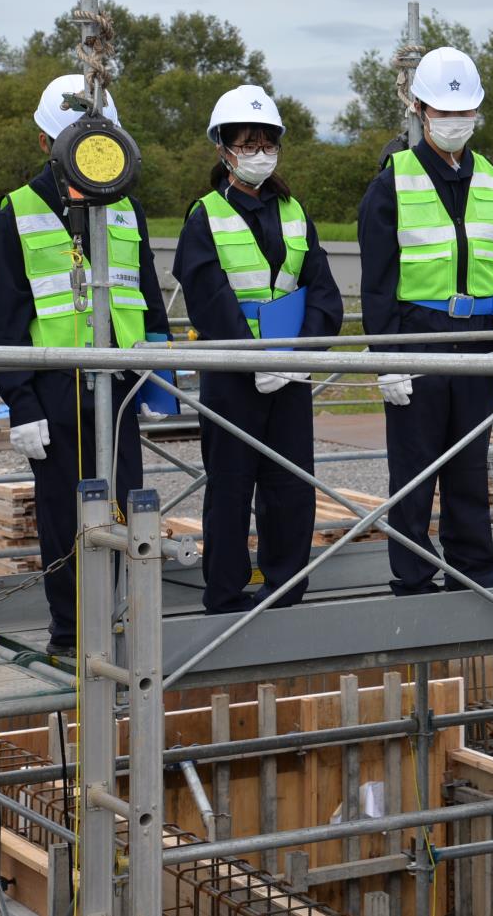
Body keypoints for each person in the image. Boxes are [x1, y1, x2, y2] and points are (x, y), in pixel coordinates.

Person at [0, 75, 171, 658]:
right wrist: (20, 400)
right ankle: (72, 634)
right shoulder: (20, 210)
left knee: (128, 506)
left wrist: (158, 378)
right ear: (48, 143)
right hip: (53, 388)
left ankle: (121, 622)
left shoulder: (126, 209)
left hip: (115, 389)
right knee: (66, 516)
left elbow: (144, 289)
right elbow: (6, 313)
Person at [358, 47, 493, 596]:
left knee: (467, 469)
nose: (456, 122)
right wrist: (387, 360)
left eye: (465, 113)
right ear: (419, 109)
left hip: (479, 342)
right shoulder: (392, 183)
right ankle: (412, 576)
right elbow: (378, 281)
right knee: (414, 470)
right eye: (444, 111)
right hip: (419, 337)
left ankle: (474, 574)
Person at [173, 85, 342, 614]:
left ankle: (286, 586)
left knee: (290, 486)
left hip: (288, 373)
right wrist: (253, 359)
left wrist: (296, 354)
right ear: (223, 149)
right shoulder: (204, 216)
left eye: (266, 143)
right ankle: (224, 594)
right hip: (232, 373)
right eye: (247, 144)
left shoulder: (294, 211)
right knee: (230, 486)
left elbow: (324, 292)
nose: (259, 153)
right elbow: (208, 299)